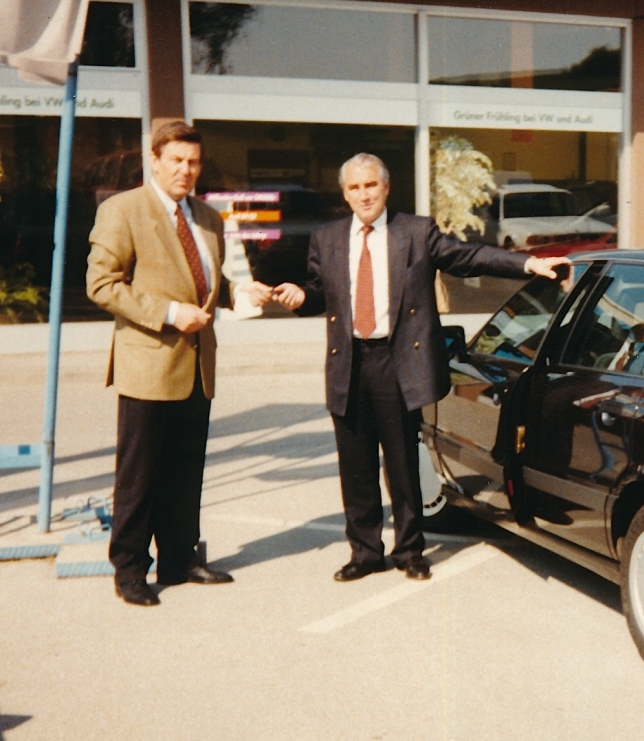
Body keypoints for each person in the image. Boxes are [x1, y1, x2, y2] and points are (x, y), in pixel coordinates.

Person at [270, 153, 569, 582]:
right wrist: (302, 297)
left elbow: (467, 257)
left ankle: (410, 550)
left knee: (402, 464)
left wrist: (527, 264)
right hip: (350, 362)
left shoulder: (415, 231)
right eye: (354, 188)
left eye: (371, 185)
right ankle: (365, 552)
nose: (364, 194)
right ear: (345, 193)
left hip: (397, 363)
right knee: (355, 467)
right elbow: (319, 290)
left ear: (386, 187)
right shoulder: (328, 238)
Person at [86, 121, 271, 606]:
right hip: (148, 363)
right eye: (176, 161)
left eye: (193, 162)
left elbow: (210, 282)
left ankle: (179, 558)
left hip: (197, 365)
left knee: (187, 470)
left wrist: (240, 290)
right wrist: (168, 314)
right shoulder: (122, 210)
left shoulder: (209, 217)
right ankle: (129, 569)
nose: (186, 171)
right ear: (154, 160)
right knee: (139, 475)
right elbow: (102, 284)